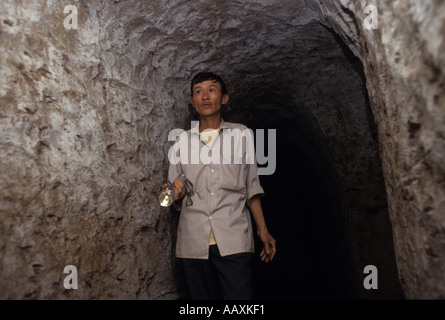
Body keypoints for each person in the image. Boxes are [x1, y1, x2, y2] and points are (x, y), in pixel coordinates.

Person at [163, 72, 276, 300]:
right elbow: (174, 186)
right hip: (193, 241)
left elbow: (252, 185)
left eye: (211, 90)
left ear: (224, 98)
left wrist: (263, 230)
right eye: (198, 91)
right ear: (192, 102)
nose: (205, 96)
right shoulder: (181, 141)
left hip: (234, 237)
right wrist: (177, 190)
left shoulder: (241, 134)